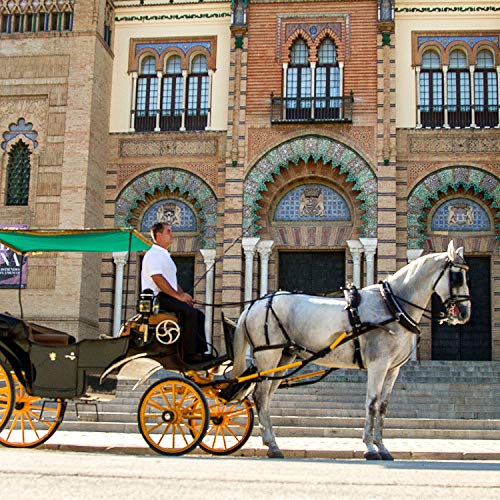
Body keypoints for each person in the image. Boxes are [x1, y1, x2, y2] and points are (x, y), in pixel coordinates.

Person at [141, 222, 215, 364]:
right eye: (168, 231)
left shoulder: (164, 256)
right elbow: (158, 279)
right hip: (158, 299)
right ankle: (189, 355)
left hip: (168, 296)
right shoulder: (153, 254)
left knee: (198, 314)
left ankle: (200, 352)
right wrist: (178, 297)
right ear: (158, 235)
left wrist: (184, 296)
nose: (172, 235)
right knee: (190, 314)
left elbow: (173, 283)